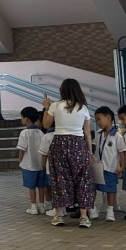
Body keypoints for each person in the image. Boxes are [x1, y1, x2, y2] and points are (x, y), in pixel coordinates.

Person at [41, 79, 95, 228]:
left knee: (60, 179)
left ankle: (58, 215)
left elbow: (45, 125)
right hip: (78, 145)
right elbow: (87, 133)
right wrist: (90, 152)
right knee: (83, 179)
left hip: (59, 144)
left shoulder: (56, 106)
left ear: (62, 90)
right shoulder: (83, 108)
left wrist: (46, 107)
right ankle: (84, 217)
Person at [91, 106, 121, 221]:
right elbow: (95, 147)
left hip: (110, 167)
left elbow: (122, 152)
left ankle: (110, 211)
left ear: (108, 118)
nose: (98, 122)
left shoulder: (117, 135)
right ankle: (92, 208)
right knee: (92, 187)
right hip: (97, 166)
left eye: (99, 119)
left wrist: (121, 165)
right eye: (96, 120)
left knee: (110, 189)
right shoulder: (98, 134)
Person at [17, 106, 47, 215]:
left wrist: (20, 160)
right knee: (41, 186)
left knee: (32, 187)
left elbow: (22, 149)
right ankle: (42, 206)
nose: (21, 119)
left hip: (29, 164)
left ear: (26, 119)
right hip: (40, 164)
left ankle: (33, 206)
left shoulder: (24, 133)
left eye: (22, 117)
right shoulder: (41, 133)